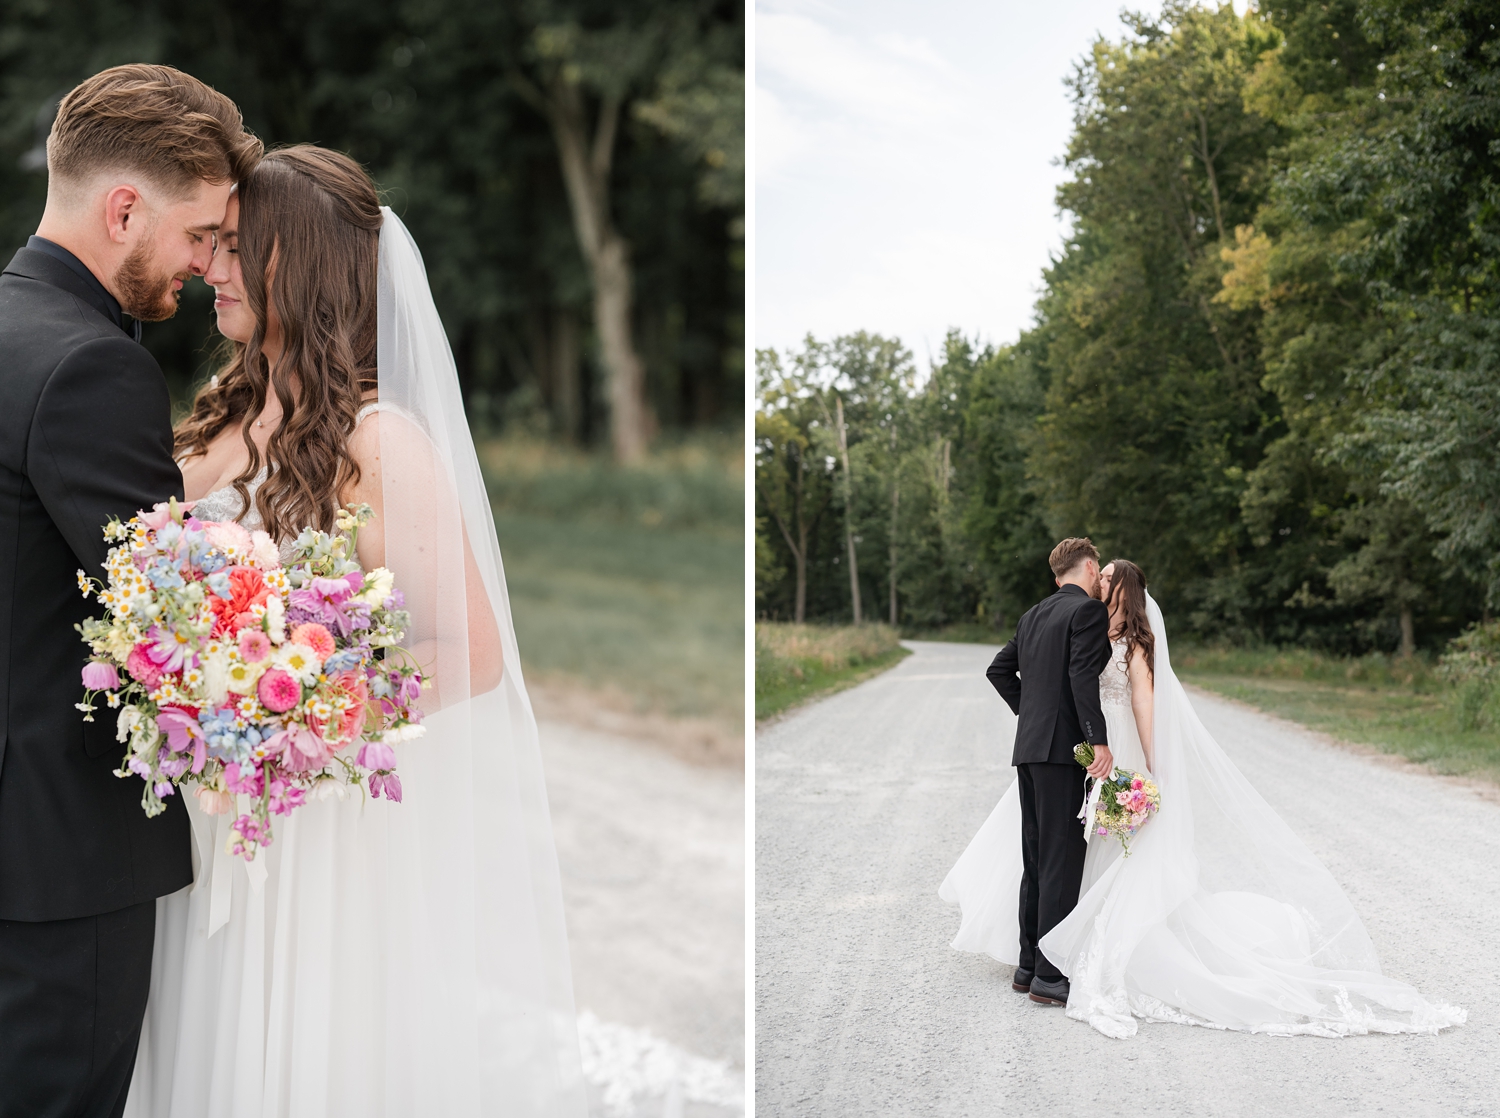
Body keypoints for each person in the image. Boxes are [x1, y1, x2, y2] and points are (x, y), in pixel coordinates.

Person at [123, 145, 587, 1116]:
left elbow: (473, 652)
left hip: (299, 841)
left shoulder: (378, 443)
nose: (210, 266)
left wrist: (279, 722)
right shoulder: (218, 421)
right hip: (185, 834)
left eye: (237, 247)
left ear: (305, 261)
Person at [0, 65, 260, 1118]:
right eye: (201, 232)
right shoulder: (91, 368)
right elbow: (176, 621)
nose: (206, 265)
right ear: (123, 210)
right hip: (57, 872)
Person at [941, 555, 1467, 1038]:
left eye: (1106, 580)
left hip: (1108, 752)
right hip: (1082, 754)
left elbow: (1143, 707)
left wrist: (1151, 768)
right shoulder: (1084, 625)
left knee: (1074, 855)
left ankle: (1062, 962)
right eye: (1096, 575)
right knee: (1058, 855)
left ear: (1123, 591)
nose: (1098, 582)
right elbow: (1064, 683)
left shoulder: (1130, 646)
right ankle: (1049, 961)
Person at [977, 537, 1113, 1006]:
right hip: (1062, 753)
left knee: (1035, 858)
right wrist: (1096, 740)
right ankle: (1051, 978)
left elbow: (999, 670)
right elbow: (1080, 677)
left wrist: (1032, 716)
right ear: (1091, 568)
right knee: (1060, 859)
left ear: (1059, 575)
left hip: (1030, 750)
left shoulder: (1032, 615)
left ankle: (1028, 965)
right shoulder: (1087, 613)